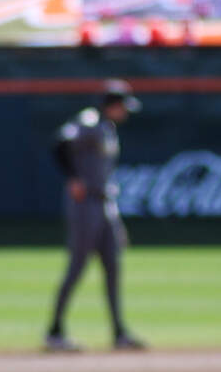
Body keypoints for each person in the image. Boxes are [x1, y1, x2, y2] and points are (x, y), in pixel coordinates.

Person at [45, 79, 146, 352]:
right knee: (77, 266)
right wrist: (73, 177)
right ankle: (54, 331)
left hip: (105, 202)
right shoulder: (89, 120)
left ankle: (119, 332)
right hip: (85, 203)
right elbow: (59, 143)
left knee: (113, 266)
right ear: (112, 105)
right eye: (123, 106)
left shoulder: (108, 128)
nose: (126, 112)